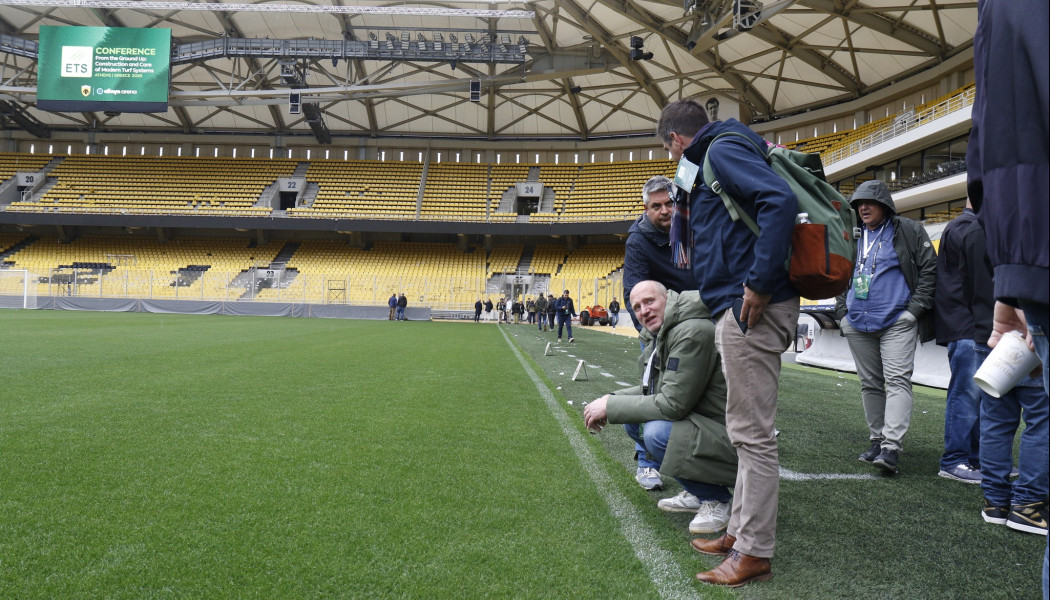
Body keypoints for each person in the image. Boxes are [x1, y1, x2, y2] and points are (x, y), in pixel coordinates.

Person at [659, 98, 799, 587]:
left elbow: (779, 201)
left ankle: (753, 550)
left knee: (752, 435)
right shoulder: (723, 149)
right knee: (744, 431)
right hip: (738, 305)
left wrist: (758, 282)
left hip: (751, 307)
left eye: (670, 150)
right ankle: (739, 533)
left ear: (676, 140)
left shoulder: (720, 151)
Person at [967, 1, 1049, 573]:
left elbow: (985, 148)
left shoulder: (997, 11)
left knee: (998, 413)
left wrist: (1009, 291)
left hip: (1016, 292)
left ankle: (997, 496)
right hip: (1017, 292)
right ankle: (1027, 500)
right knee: (1038, 416)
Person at [583, 281, 737, 534]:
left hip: (734, 437)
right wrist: (609, 398)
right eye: (637, 307)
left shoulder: (691, 331)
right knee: (634, 422)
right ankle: (697, 491)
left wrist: (610, 406)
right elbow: (653, 389)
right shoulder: (667, 331)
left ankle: (717, 500)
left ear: (668, 298)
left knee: (656, 433)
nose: (644, 311)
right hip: (706, 424)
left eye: (650, 301)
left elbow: (673, 405)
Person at [834, 180, 937, 475]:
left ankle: (891, 447)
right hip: (857, 322)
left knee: (897, 380)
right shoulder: (851, 234)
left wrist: (913, 312)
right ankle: (877, 440)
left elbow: (930, 270)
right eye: (859, 203)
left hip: (896, 322)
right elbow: (839, 272)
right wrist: (842, 314)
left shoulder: (908, 230)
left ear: (885, 205)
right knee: (870, 383)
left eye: (870, 202)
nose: (863, 207)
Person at [933, 204, 987, 483]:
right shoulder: (965, 227)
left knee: (979, 394)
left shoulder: (965, 226)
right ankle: (954, 460)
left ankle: (976, 460)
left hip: (971, 324)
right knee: (967, 393)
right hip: (966, 325)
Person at [623, 176, 698, 334]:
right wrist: (655, 336)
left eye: (669, 203)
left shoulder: (695, 224)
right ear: (646, 209)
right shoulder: (637, 243)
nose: (664, 211)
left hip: (704, 311)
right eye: (656, 206)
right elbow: (633, 292)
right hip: (667, 324)